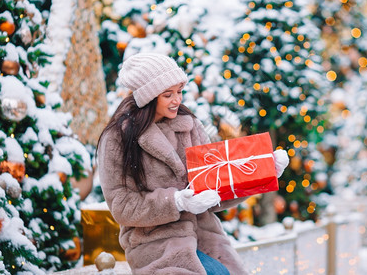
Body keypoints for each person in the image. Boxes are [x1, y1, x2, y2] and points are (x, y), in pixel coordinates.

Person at [97, 53, 289, 274]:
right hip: (155, 242)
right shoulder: (118, 138)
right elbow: (122, 206)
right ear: (148, 97)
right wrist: (177, 202)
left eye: (179, 91)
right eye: (167, 94)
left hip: (204, 236)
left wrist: (264, 172)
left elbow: (216, 190)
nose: (177, 100)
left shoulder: (190, 126)